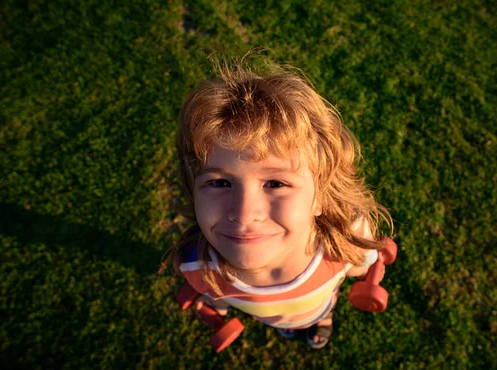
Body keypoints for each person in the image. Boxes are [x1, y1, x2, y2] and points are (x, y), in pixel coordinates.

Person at [163, 58, 392, 349]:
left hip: (318, 302)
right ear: (193, 190)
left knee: (320, 309)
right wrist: (213, 304)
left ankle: (322, 319)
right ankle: (284, 324)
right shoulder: (196, 264)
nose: (244, 215)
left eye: (276, 183)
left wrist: (365, 266)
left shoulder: (344, 238)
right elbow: (213, 292)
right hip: (267, 315)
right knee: (277, 318)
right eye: (219, 183)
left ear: (320, 195)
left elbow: (363, 264)